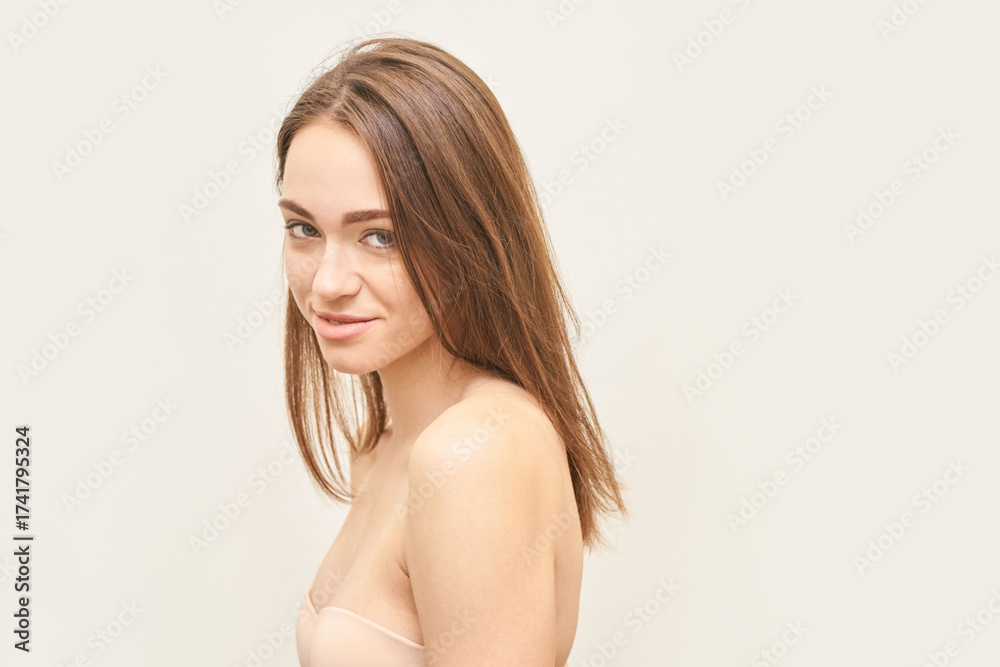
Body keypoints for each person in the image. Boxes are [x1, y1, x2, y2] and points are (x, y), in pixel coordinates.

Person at [275, 35, 629, 666]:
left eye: (380, 236)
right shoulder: (383, 446)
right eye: (304, 229)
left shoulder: (474, 453)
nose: (327, 282)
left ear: (468, 237)